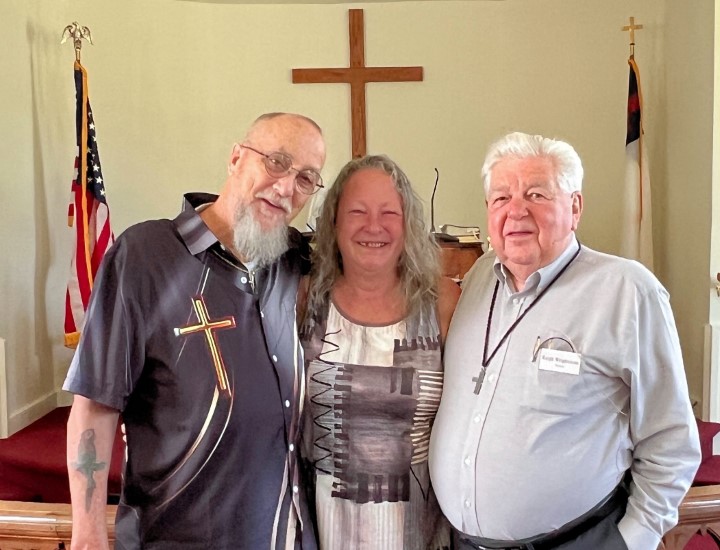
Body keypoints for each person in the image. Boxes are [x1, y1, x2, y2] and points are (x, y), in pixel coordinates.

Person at [63, 112, 326, 550]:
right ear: (236, 158)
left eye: (306, 178)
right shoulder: (145, 257)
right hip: (176, 536)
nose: (285, 187)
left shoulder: (291, 261)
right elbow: (94, 405)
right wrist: (88, 536)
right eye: (276, 162)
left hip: (285, 536)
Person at [429, 132, 701, 550]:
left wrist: (632, 541)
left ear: (575, 207)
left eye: (536, 194)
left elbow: (671, 440)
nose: (516, 211)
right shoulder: (480, 277)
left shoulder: (626, 291)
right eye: (501, 198)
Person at [299, 155, 461, 549]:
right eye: (357, 212)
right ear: (334, 222)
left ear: (408, 224)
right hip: (323, 524)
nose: (374, 226)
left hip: (418, 529)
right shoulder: (303, 300)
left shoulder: (443, 302)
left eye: (389, 213)